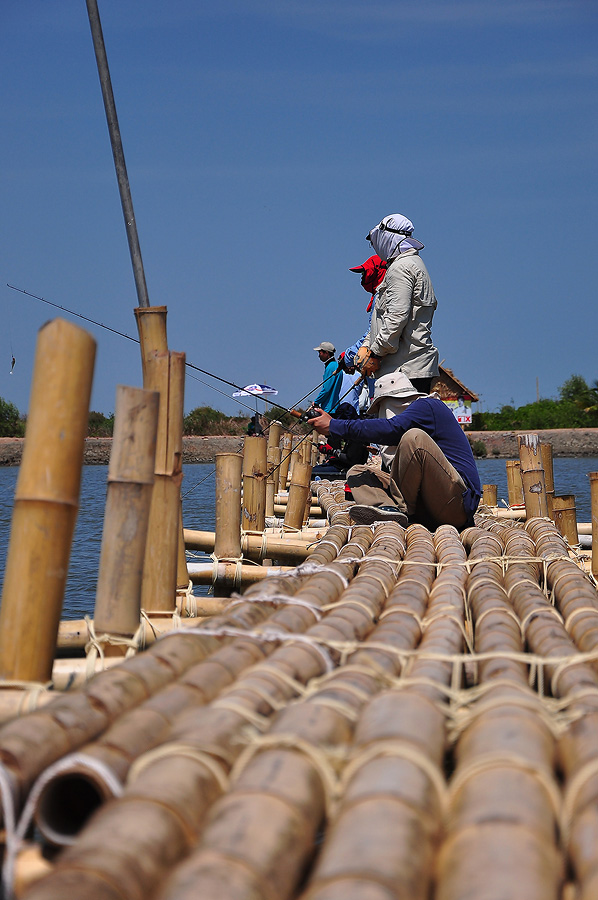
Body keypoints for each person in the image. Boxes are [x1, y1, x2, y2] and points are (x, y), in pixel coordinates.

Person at [308, 372, 481, 530]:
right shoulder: (407, 425)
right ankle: (390, 510)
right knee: (357, 472)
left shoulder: (429, 406)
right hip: (426, 510)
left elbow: (392, 428)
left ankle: (400, 509)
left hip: (456, 506)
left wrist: (334, 426)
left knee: (414, 438)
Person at [355, 213, 439, 395]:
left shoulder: (401, 268)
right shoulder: (411, 263)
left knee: (400, 424)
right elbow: (384, 317)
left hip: (404, 370)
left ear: (387, 237)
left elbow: (396, 317)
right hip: (408, 368)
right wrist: (366, 346)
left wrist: (376, 353)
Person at [312, 341, 343, 413]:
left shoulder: (330, 367)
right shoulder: (336, 365)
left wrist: (316, 402)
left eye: (320, 352)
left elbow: (326, 389)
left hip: (329, 408)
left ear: (326, 353)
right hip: (335, 406)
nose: (319, 355)